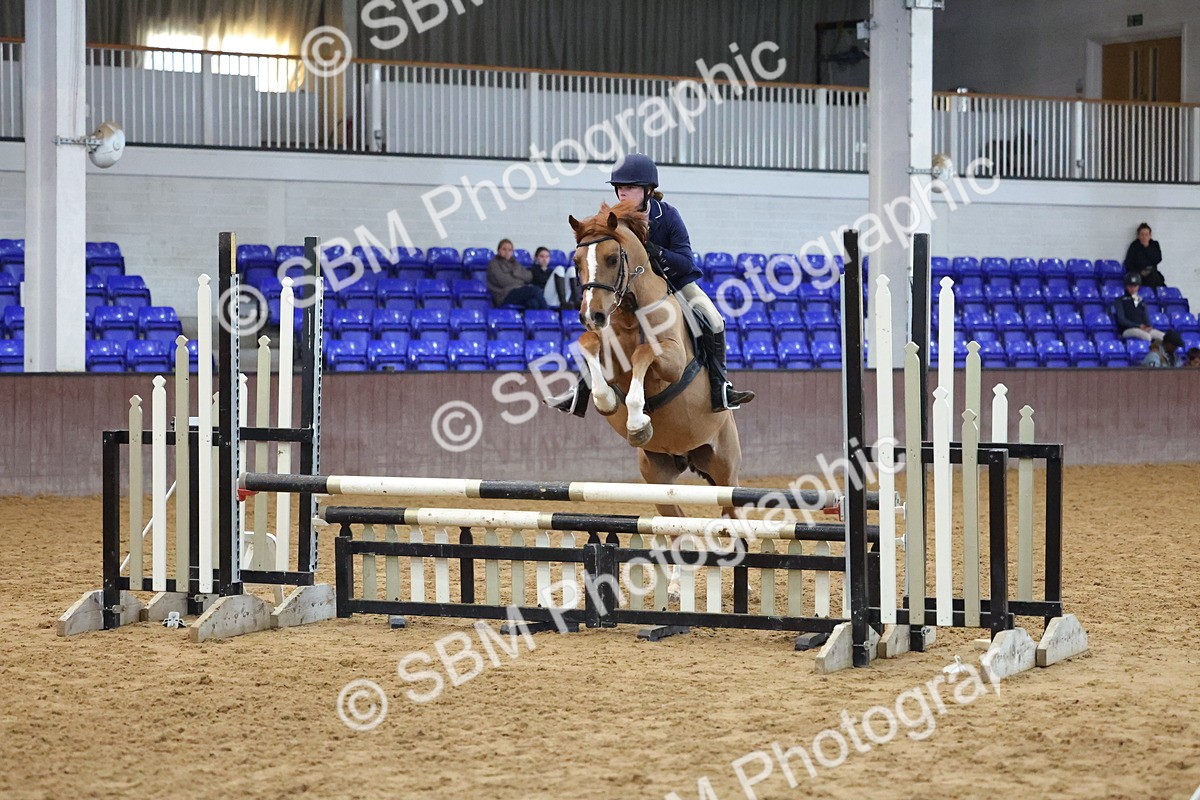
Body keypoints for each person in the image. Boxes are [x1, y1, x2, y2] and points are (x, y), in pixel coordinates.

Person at [547, 153, 754, 415]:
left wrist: (657, 252)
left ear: (648, 190)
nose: (623, 193)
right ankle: (580, 391)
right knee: (596, 331)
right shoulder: (611, 220)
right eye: (619, 187)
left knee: (713, 319)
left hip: (674, 283)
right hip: (628, 291)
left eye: (630, 187)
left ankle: (720, 386)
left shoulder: (668, 216)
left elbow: (686, 262)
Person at [486, 238, 547, 309]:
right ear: (498, 250)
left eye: (509, 250)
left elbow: (529, 276)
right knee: (535, 290)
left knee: (533, 303)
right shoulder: (494, 264)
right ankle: (548, 313)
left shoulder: (514, 263)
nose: (507, 252)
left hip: (519, 292)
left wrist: (515, 274)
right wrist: (520, 280)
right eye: (504, 249)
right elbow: (504, 281)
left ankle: (537, 316)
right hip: (504, 295)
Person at [1113, 272, 1164, 342]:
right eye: (1130, 286)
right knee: (1146, 336)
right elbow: (1122, 320)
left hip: (1142, 328)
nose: (1133, 288)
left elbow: (1145, 316)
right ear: (1126, 286)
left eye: (1135, 286)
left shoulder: (1141, 300)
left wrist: (1148, 326)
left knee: (1164, 337)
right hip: (1127, 329)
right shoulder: (1120, 300)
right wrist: (1138, 326)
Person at [1123, 223, 1166, 289]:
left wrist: (1147, 248)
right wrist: (1139, 272)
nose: (1144, 237)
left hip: (1152, 272)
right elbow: (1129, 263)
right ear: (1138, 236)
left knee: (1157, 278)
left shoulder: (1154, 244)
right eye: (1142, 234)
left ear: (1150, 236)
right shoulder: (1134, 246)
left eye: (1146, 234)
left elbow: (1157, 259)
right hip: (1139, 273)